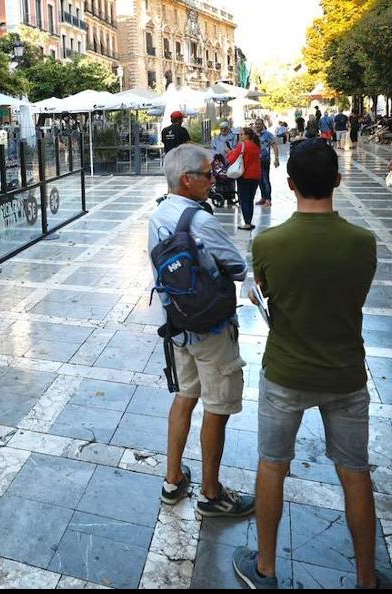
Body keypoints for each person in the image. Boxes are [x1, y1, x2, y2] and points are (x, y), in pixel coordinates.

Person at [233, 140, 389, 590]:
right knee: (355, 474)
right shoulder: (362, 243)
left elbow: (266, 291)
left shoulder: (269, 243)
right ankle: (366, 577)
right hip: (346, 372)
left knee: (272, 464)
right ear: (337, 180)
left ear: (289, 183)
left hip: (286, 371)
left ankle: (265, 568)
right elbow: (355, 294)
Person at [150, 144, 255, 518]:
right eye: (208, 174)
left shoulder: (158, 214)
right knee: (217, 407)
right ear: (187, 180)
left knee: (184, 396)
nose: (214, 180)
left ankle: (173, 480)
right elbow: (237, 266)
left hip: (179, 326)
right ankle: (211, 494)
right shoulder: (201, 221)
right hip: (212, 331)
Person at [226, 129, 262, 230]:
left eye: (242, 134)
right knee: (250, 199)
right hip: (255, 176)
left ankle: (247, 223)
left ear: (247, 136)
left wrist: (229, 153)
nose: (240, 136)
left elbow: (232, 159)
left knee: (244, 200)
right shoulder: (256, 145)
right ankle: (249, 221)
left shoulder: (242, 145)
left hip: (244, 175)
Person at [254, 121, 280, 209]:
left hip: (264, 160)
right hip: (255, 160)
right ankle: (263, 198)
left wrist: (276, 158)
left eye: (259, 124)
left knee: (265, 179)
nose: (257, 125)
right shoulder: (253, 135)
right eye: (256, 124)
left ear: (263, 125)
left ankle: (268, 200)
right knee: (259, 180)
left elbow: (274, 146)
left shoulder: (268, 135)